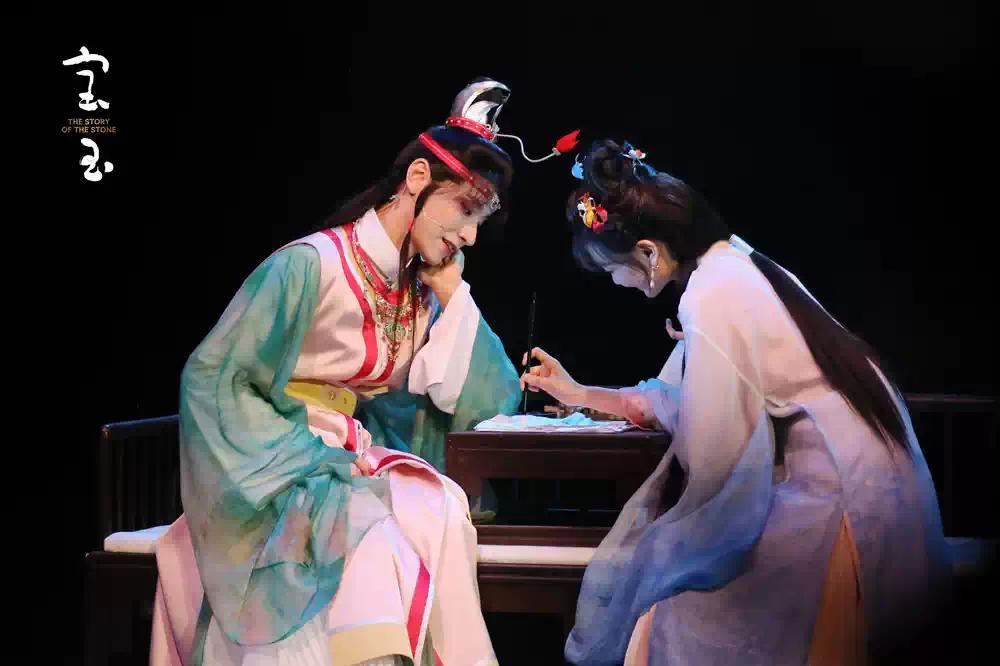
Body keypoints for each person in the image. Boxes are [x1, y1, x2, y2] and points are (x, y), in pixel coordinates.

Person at [520, 139, 953, 665]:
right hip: (867, 478)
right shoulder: (734, 263)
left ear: (649, 253)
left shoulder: (712, 293)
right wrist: (582, 394)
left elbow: (714, 455)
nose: (616, 280)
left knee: (669, 599)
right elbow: (683, 403)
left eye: (611, 268)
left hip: (839, 496)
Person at [150, 78, 524, 666]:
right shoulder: (309, 266)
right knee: (373, 540)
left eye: (480, 219)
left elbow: (488, 401)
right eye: (464, 211)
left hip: (348, 456)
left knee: (442, 510)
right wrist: (306, 455)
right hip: (276, 466)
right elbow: (213, 379)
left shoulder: (417, 292)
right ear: (418, 179)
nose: (470, 236)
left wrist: (455, 294)